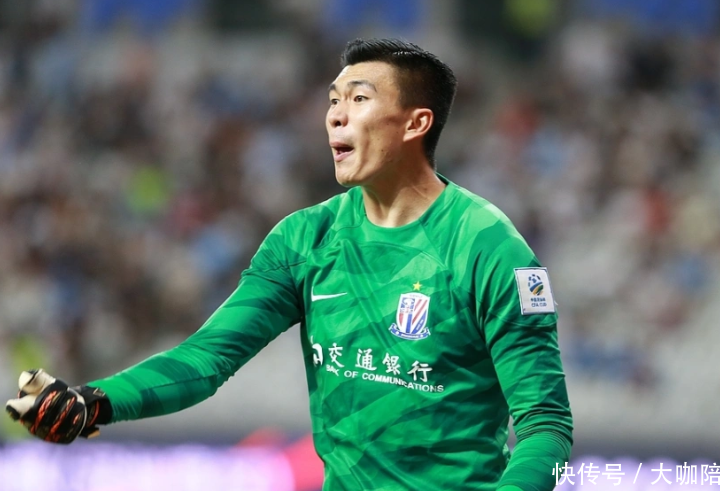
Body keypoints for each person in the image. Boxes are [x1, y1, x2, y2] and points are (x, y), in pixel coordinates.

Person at [5, 38, 573, 491]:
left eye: (358, 99)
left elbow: (546, 427)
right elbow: (206, 359)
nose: (335, 117)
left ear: (414, 123)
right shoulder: (305, 239)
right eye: (332, 100)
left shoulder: (489, 248)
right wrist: (96, 401)